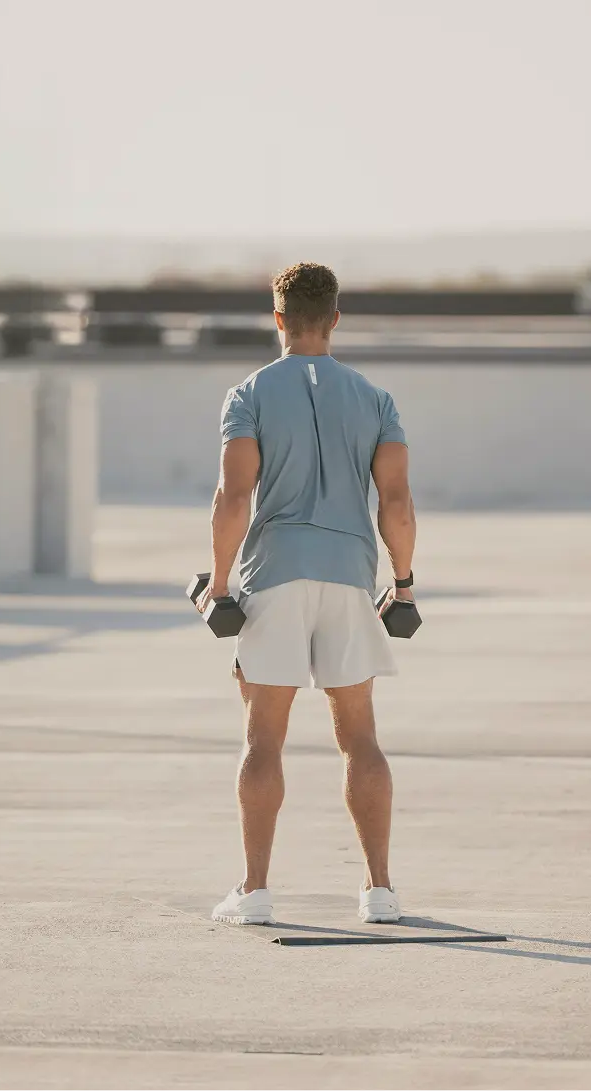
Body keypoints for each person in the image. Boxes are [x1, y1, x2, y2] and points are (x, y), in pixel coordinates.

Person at [197, 262, 417, 926]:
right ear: (335, 318)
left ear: (277, 318)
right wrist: (401, 583)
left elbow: (235, 497)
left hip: (276, 574)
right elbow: (398, 503)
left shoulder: (249, 392)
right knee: (360, 735)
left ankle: (255, 891)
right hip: (350, 574)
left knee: (263, 736)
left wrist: (218, 579)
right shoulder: (375, 398)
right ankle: (379, 890)